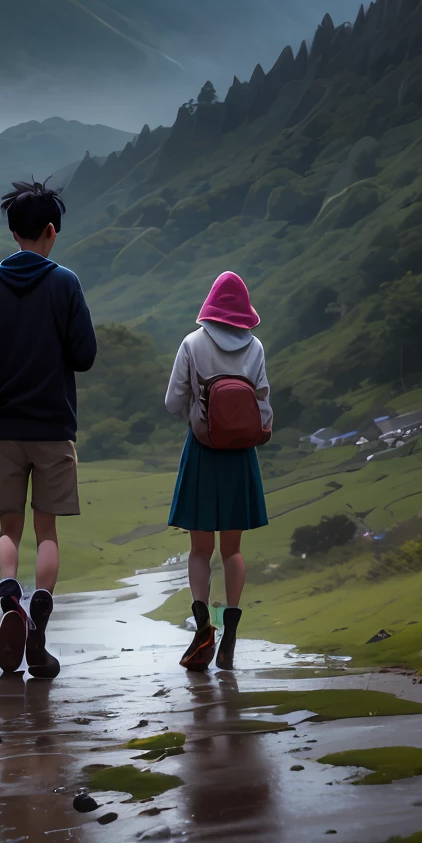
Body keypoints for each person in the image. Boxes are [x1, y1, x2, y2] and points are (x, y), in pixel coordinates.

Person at [0, 178, 97, 678]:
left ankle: (9, 594)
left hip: (4, 427)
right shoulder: (66, 283)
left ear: (14, 232)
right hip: (54, 426)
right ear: (50, 232)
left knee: (8, 528)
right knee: (48, 532)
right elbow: (84, 355)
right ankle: (39, 621)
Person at [164, 270, 272, 670]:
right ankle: (230, 637)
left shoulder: (192, 343)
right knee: (233, 551)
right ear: (245, 311)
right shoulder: (256, 347)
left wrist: (198, 409)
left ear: (210, 306)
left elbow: (174, 402)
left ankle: (202, 628)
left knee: (199, 549)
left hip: (203, 451)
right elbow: (262, 403)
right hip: (241, 455)